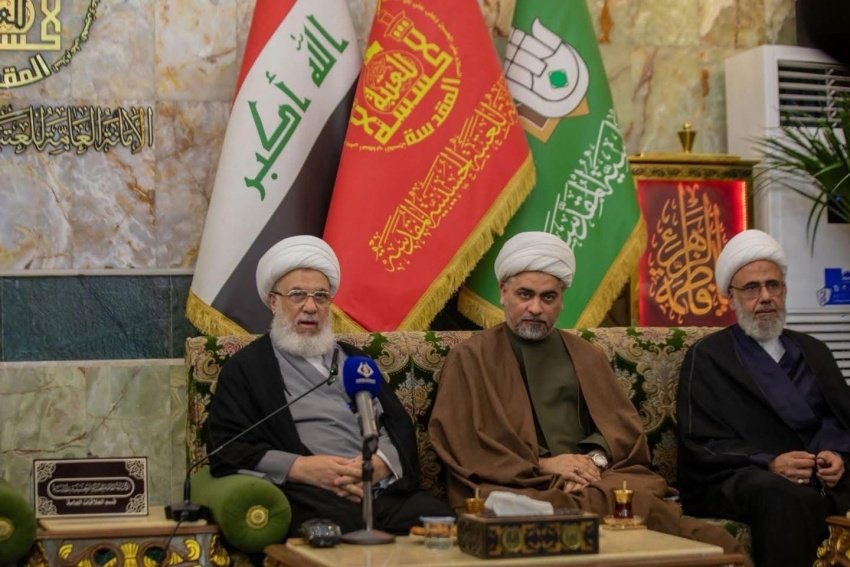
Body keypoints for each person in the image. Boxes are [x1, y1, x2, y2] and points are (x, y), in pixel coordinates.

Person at [429, 231, 746, 557]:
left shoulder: (586, 355)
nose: (535, 308)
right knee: (517, 504)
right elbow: (463, 444)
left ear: (561, 300)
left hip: (594, 480)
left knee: (629, 491)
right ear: (503, 292)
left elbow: (622, 431)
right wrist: (546, 465)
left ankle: (718, 554)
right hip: (516, 483)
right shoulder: (470, 357)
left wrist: (590, 463)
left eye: (548, 298)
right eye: (525, 294)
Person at [206, 235, 452, 537]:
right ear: (273, 301)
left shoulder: (355, 360)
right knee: (337, 525)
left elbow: (395, 426)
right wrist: (300, 467)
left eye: (321, 297)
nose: (311, 307)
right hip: (310, 492)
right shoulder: (248, 367)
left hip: (379, 490)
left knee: (441, 519)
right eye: (297, 295)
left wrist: (380, 464)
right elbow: (227, 446)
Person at [676, 229, 850, 567]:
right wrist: (770, 462)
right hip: (740, 476)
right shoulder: (708, 356)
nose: (766, 297)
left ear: (784, 291)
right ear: (731, 297)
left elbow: (841, 418)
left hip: (817, 476)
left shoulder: (814, 350)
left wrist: (837, 455)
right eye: (752, 288)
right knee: (778, 493)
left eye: (773, 285)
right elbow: (701, 441)